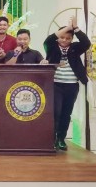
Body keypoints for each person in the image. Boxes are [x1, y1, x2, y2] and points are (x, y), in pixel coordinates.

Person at [43, 16, 90, 151]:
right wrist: (68, 28)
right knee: (55, 112)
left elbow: (86, 43)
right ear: (58, 37)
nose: (65, 40)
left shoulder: (75, 47)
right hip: (56, 84)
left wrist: (75, 28)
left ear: (72, 39)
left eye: (68, 38)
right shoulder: (51, 47)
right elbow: (49, 39)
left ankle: (61, 138)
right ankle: (51, 139)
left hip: (72, 85)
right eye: (62, 37)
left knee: (66, 113)